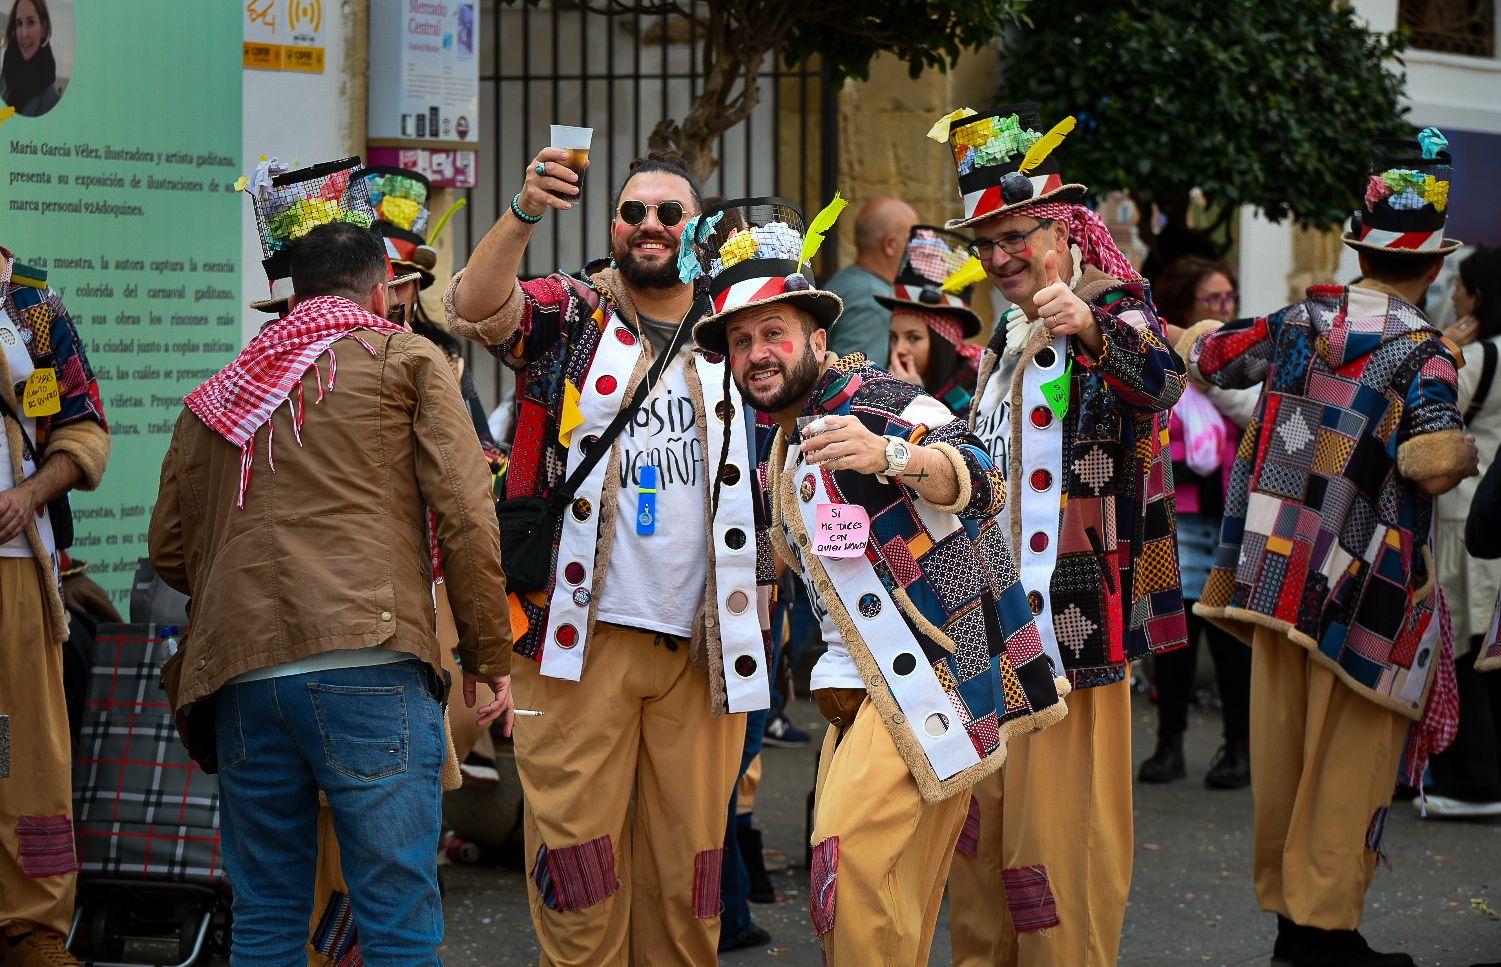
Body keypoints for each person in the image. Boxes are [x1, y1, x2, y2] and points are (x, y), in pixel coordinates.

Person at [688, 195, 1067, 967]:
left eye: (772, 333)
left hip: (933, 676)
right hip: (861, 695)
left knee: (848, 868)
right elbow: (782, 551)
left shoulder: (877, 399)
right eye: (741, 340)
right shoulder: (780, 442)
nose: (757, 353)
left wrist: (892, 455)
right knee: (892, 898)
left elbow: (983, 479)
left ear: (816, 339)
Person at [149, 213, 511, 965]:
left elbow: (171, 555)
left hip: (240, 680)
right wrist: (485, 652)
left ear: (292, 298)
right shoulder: (406, 358)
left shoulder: (217, 395)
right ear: (381, 293)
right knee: (398, 920)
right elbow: (467, 516)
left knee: (266, 919)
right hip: (370, 666)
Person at [444, 149, 773, 965]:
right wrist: (523, 210)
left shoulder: (742, 329)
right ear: (614, 225)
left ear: (698, 227)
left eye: (669, 212)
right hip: (573, 643)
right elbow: (475, 308)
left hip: (705, 648)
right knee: (578, 870)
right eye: (633, 212)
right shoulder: (573, 312)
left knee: (688, 877)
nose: (649, 225)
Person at [1176, 130, 1477, 967]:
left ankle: (1292, 930)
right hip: (1364, 592)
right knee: (1346, 771)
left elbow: (1208, 355)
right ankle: (1326, 939)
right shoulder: (1424, 356)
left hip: (1275, 575)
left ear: (1359, 249)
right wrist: (1458, 447)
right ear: (1432, 265)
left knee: (1283, 758)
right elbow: (1431, 459)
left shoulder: (1298, 322)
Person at [931, 101, 1188, 967]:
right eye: (984, 244)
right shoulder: (1004, 338)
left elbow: (1162, 379)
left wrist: (1092, 328)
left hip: (1071, 639)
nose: (1000, 257)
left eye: (1014, 236)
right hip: (987, 640)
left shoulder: (1114, 309)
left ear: (1063, 228)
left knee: (1058, 863)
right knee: (981, 857)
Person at [0, 249, 110, 967]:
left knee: (22, 749)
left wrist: (29, 494)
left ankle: (32, 924)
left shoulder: (32, 305)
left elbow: (84, 429)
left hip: (16, 565)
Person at [1136, 256, 1254, 789]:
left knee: (1230, 641)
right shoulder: (1161, 361)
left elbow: (1256, 426)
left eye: (1230, 298)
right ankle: (1169, 746)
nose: (1225, 308)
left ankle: (1238, 749)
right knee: (1175, 639)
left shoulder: (1241, 363)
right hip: (1177, 521)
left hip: (1230, 520)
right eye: (1214, 299)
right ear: (1187, 305)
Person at [1426, 244, 1501, 819]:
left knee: (1462, 650)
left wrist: (1445, 345)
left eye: (1460, 285)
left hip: (1464, 517)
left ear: (1479, 297)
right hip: (1493, 517)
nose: (1452, 294)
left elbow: (1424, 400)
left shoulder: (1476, 359)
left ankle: (1474, 781)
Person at [878, 225, 986, 419]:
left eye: (913, 338)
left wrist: (914, 398)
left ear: (943, 341)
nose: (898, 349)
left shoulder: (975, 390)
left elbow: (958, 435)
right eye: (893, 337)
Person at [822, 196, 919, 364]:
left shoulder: (846, 279)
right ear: (890, 245)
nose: (919, 248)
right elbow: (857, 377)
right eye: (914, 240)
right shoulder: (873, 302)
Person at [0, 0, 60, 118]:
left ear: (44, 28)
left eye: (31, 22)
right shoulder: (7, 72)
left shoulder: (50, 101)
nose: (24, 34)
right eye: (19, 23)